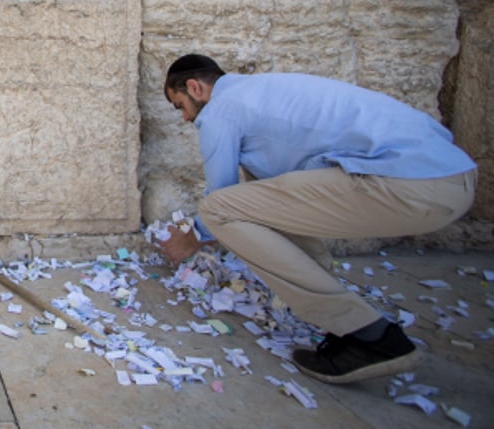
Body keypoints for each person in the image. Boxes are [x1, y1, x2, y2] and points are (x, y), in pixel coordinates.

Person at [161, 54, 477, 384]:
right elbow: (270, 199)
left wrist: (186, 238)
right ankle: (333, 305)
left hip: (411, 183)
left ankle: (370, 337)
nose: (184, 117)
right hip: (453, 176)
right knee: (256, 196)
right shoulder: (262, 92)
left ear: (195, 87)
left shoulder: (221, 109)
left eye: (179, 105)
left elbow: (220, 196)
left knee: (219, 210)